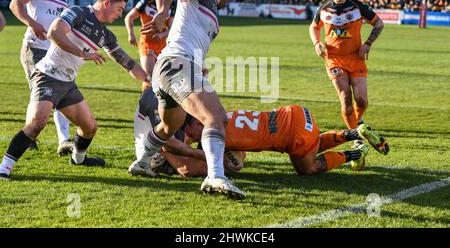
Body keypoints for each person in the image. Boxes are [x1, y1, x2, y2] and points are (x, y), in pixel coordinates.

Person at [0, 0, 151, 181]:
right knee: (37, 122)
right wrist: (82, 53)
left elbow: (127, 62)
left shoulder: (106, 34)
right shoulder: (78, 13)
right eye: (119, 9)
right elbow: (55, 33)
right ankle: (4, 168)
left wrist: (150, 80)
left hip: (68, 84)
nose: (120, 15)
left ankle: (78, 159)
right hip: (47, 76)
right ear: (106, 3)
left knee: (89, 128)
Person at [129, 0, 245, 200]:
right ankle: (215, 176)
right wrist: (162, 12)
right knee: (216, 118)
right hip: (176, 65)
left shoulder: (208, 4)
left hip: (172, 67)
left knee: (169, 126)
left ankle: (141, 162)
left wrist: (198, 65)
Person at [132, 92, 389, 178]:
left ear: (197, 122)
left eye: (189, 131)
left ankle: (355, 151)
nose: (191, 136)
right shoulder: (222, 113)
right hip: (296, 113)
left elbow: (197, 167)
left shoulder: (214, 134)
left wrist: (168, 152)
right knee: (314, 143)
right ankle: (353, 131)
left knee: (308, 168)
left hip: (291, 133)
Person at [9, 0, 79, 154]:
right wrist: (32, 23)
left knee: (59, 91)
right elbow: (16, 3)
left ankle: (63, 140)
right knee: (43, 94)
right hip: (35, 48)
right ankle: (31, 137)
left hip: (54, 52)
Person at [309, 0, 385, 129]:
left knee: (362, 101)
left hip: (356, 57)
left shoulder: (358, 7)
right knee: (345, 99)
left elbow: (379, 23)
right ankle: (355, 135)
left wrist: (368, 44)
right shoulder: (324, 8)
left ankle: (358, 121)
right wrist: (317, 43)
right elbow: (314, 27)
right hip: (334, 59)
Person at [124, 0, 176, 91]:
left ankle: (155, 103)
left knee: (161, 78)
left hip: (163, 46)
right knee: (149, 74)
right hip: (146, 43)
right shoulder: (145, 3)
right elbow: (129, 17)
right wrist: (131, 34)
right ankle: (145, 102)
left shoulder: (171, 6)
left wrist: (162, 34)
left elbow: (173, 28)